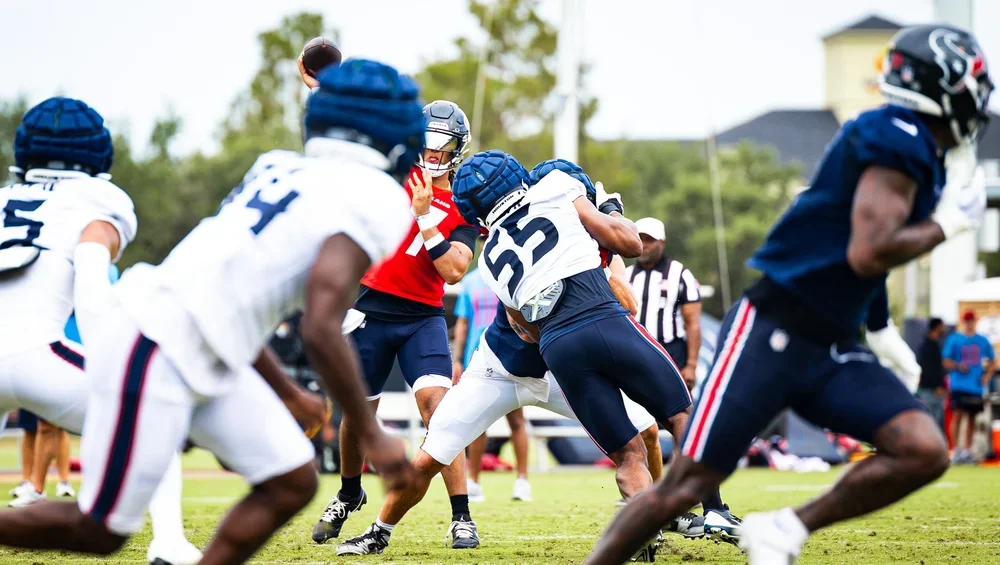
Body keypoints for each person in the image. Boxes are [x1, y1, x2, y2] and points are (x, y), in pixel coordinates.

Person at [585, 24, 992, 564]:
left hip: (830, 345)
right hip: (772, 332)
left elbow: (858, 260)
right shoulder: (898, 134)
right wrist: (947, 225)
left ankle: (785, 528)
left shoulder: (914, 148)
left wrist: (879, 330)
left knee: (923, 449)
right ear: (940, 84)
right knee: (683, 488)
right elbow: (870, 251)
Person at [0, 60, 420, 565]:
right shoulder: (375, 195)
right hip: (157, 342)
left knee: (290, 478)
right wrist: (370, 432)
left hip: (189, 338)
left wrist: (288, 393)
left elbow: (227, 302)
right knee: (102, 530)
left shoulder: (276, 165)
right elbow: (320, 322)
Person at [334, 160, 732, 558]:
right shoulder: (561, 206)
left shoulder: (492, 257)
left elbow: (534, 322)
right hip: (502, 369)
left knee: (644, 430)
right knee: (433, 449)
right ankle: (379, 530)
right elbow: (587, 310)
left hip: (556, 357)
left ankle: (658, 514)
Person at [459, 151, 741, 560]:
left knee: (628, 454)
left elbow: (523, 328)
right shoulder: (555, 188)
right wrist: (610, 208)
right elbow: (628, 242)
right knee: (682, 415)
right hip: (602, 317)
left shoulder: (487, 260)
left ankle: (644, 530)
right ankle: (715, 510)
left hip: (557, 346)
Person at [0, 97, 203, 565]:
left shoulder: (5, 197)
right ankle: (169, 543)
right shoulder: (100, 200)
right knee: (156, 406)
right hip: (41, 353)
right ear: (96, 151)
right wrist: (116, 358)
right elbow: (91, 283)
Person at [311, 99, 482, 550]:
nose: (433, 154)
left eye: (443, 147)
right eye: (428, 144)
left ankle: (461, 515)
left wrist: (426, 215)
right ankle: (349, 492)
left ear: (457, 150)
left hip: (423, 315)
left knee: (440, 410)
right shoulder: (396, 174)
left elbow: (454, 271)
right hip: (371, 308)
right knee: (357, 414)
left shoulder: (464, 200)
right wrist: (323, 91)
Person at [452, 267, 531, 503]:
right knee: (478, 421)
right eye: (484, 238)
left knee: (516, 420)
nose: (488, 241)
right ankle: (474, 482)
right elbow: (463, 322)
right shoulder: (470, 281)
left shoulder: (515, 272)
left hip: (511, 356)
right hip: (478, 360)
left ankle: (522, 481)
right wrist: (457, 360)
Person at [625, 217, 702, 390]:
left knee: (676, 410)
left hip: (671, 352)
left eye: (650, 240)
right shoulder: (625, 275)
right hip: (635, 352)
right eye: (640, 238)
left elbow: (692, 322)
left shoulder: (680, 273)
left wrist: (691, 365)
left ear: (662, 242)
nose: (644, 245)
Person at [943, 310, 996, 463]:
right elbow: (946, 361)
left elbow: (993, 360)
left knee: (972, 417)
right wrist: (958, 366)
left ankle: (967, 450)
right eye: (967, 320)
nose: (969, 323)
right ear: (963, 321)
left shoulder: (982, 340)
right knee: (958, 415)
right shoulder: (954, 339)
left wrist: (986, 376)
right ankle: (955, 450)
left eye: (972, 320)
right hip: (959, 384)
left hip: (975, 386)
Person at [917, 318, 948, 430]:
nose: (944, 328)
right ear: (937, 327)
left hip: (933, 391)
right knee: (933, 426)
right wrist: (936, 386)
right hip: (930, 392)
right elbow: (927, 369)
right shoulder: (927, 347)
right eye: (942, 326)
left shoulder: (934, 345)